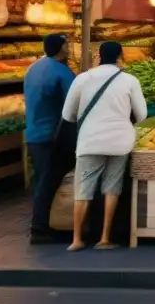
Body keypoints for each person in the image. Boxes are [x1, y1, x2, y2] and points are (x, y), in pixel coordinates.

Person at [61, 41, 147, 251]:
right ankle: (105, 237)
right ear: (121, 56)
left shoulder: (83, 79)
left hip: (90, 140)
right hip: (120, 141)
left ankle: (77, 239)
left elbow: (67, 115)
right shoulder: (129, 80)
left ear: (98, 56)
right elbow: (142, 114)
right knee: (112, 187)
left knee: (83, 188)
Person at [23, 34, 75, 244]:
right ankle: (39, 227)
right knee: (48, 181)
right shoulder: (62, 73)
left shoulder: (32, 69)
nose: (69, 47)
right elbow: (75, 104)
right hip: (51, 135)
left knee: (41, 179)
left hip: (33, 132)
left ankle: (44, 222)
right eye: (67, 44)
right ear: (61, 47)